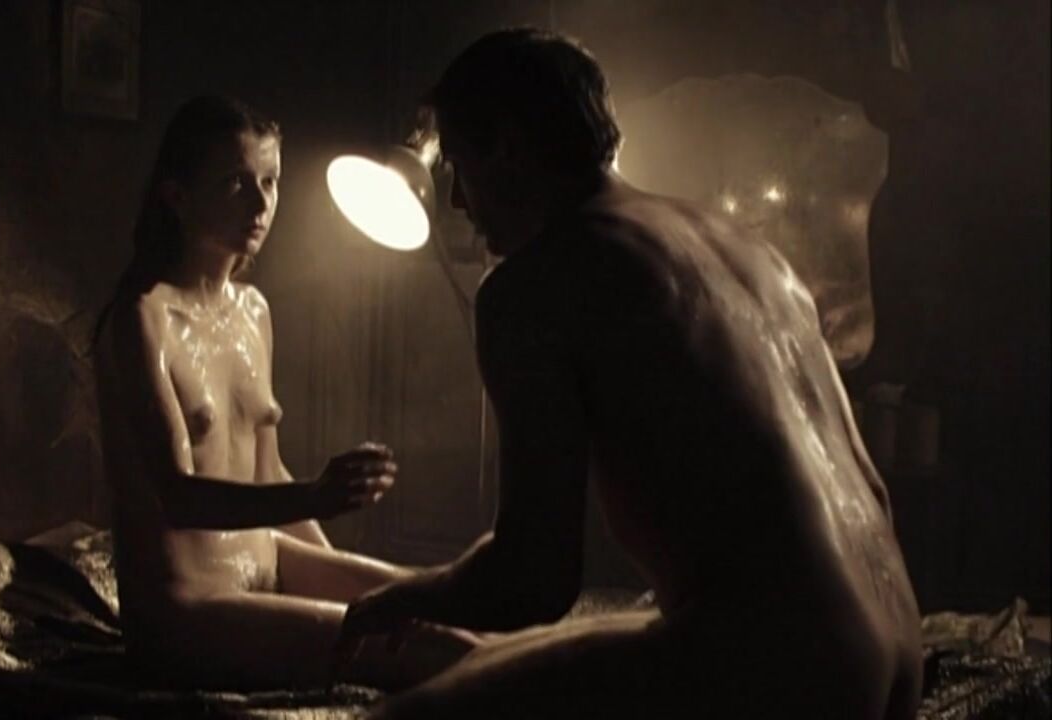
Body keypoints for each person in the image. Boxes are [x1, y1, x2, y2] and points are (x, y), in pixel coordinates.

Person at [338, 29, 923, 719]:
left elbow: (533, 580)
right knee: (488, 663)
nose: (460, 204)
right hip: (896, 652)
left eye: (459, 168)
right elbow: (867, 501)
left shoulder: (534, 285)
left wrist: (403, 597)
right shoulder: (750, 254)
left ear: (507, 148)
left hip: (788, 669)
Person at [92, 95, 479, 692]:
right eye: (235, 183)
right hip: (189, 611)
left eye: (270, 182)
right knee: (441, 653)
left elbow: (267, 474)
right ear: (176, 196)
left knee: (448, 605)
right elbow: (177, 498)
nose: (260, 204)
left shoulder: (253, 310)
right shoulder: (142, 319)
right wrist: (317, 496)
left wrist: (338, 575)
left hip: (267, 564)